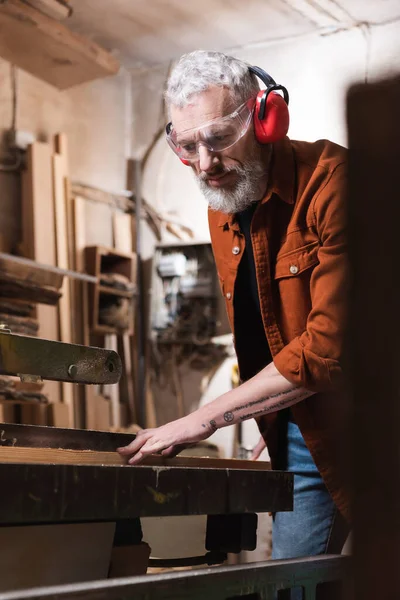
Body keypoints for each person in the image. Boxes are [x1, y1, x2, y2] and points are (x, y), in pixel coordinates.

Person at [118, 50, 350, 579]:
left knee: (300, 581)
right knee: (295, 583)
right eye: (187, 144)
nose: (205, 163)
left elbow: (326, 349)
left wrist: (203, 419)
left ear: (265, 118)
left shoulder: (336, 186)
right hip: (299, 422)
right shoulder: (223, 202)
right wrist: (271, 416)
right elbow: (267, 331)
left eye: (219, 138)